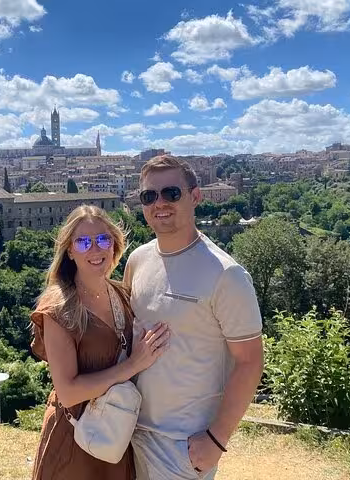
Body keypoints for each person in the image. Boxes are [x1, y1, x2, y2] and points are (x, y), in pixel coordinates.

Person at [124, 155, 264, 480]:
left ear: (195, 196)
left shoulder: (226, 274)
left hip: (181, 446)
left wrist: (216, 440)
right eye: (149, 196)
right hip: (126, 432)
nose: (160, 203)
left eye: (171, 193)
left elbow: (250, 362)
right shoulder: (137, 260)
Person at [29, 204, 171, 480]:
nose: (95, 249)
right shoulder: (59, 308)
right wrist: (132, 365)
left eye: (103, 239)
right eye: (83, 242)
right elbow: (68, 392)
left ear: (114, 245)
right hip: (76, 440)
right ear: (70, 251)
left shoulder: (122, 294)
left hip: (115, 435)